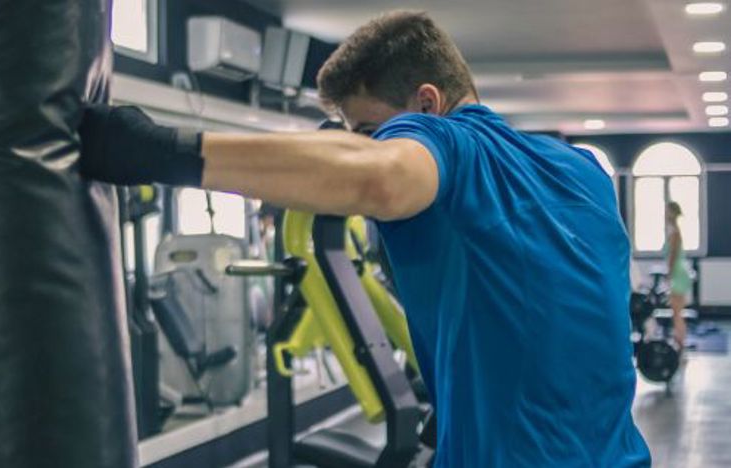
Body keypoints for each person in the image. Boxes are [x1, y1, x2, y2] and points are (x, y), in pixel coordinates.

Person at [79, 10, 650, 467]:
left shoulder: (451, 143)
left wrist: (157, 152)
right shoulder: (580, 168)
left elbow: (382, 177)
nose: (370, 145)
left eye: (370, 131)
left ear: (428, 103)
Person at [665, 201, 691, 349]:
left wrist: (668, 274)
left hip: (678, 273)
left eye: (667, 211)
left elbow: (673, 256)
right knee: (676, 311)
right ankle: (679, 340)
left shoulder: (674, 231)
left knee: (676, 312)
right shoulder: (673, 230)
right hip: (678, 272)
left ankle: (680, 342)